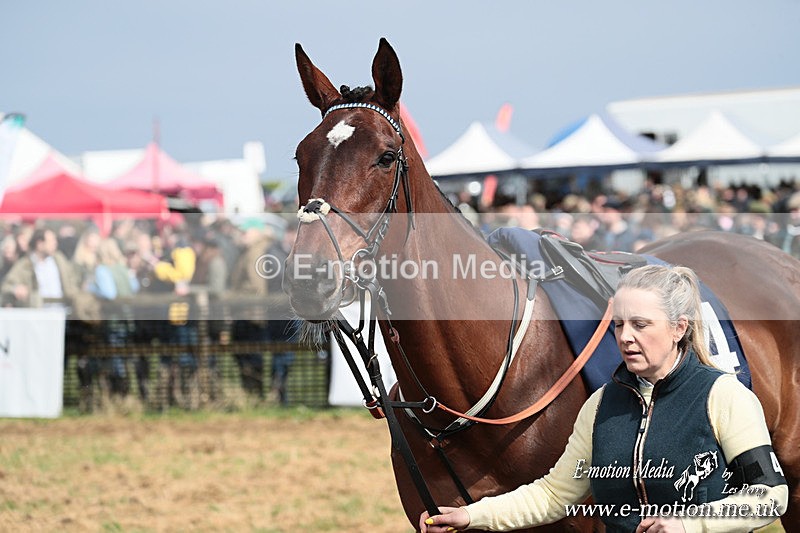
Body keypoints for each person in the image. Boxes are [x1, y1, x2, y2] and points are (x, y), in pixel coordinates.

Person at [421, 264, 788, 532]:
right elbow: (554, 494)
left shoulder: (725, 397)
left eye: (640, 324)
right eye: (618, 323)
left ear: (679, 328)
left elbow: (770, 497)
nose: (625, 336)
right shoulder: (599, 405)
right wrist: (471, 515)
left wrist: (689, 525)